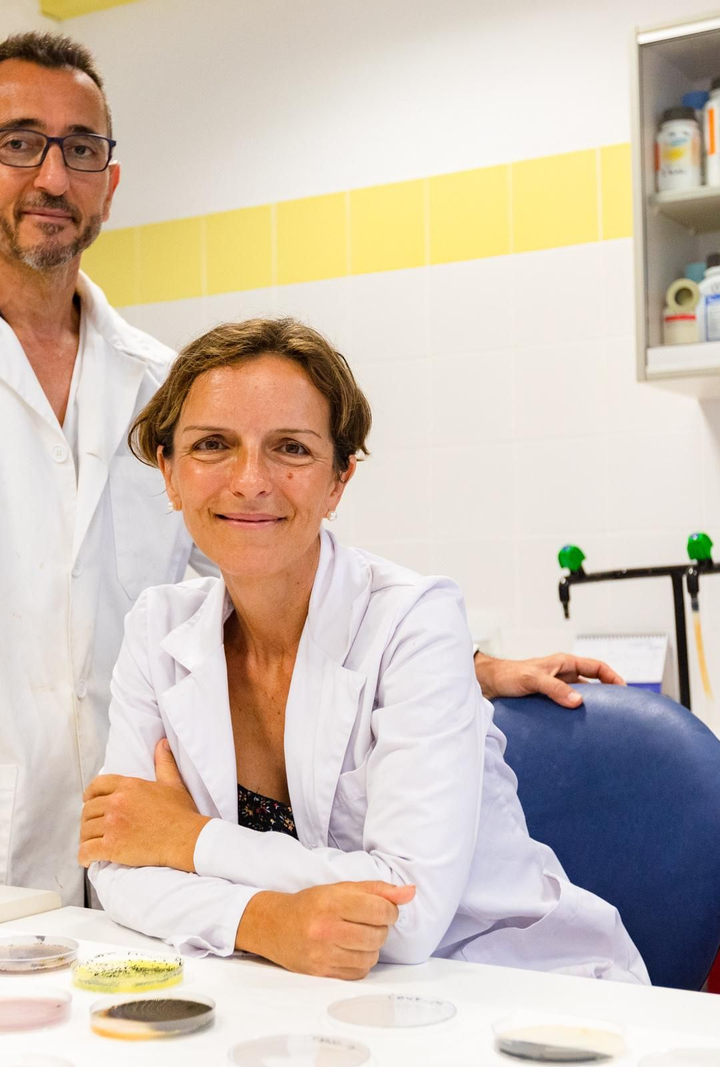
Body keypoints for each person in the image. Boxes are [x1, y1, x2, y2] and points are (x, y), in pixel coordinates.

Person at [0, 31, 621, 956]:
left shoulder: (164, 384)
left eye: (81, 149)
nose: (52, 176)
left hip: (157, 844)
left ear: (110, 185)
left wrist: (447, 661)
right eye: (18, 143)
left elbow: (254, 562)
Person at [80, 318, 648, 983]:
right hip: (295, 986)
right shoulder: (158, 629)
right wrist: (265, 921)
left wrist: (185, 838)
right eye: (212, 444)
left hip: (507, 983)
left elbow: (408, 911)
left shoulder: (414, 619)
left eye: (291, 448)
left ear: (338, 480)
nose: (250, 479)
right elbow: (115, 864)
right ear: (170, 473)